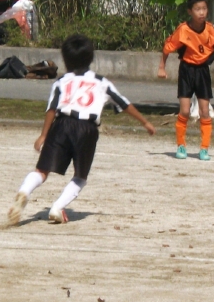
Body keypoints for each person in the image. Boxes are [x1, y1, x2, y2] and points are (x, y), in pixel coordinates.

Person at [8, 34, 155, 225]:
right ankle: (57, 207)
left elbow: (52, 108)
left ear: (65, 59)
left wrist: (43, 135)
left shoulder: (61, 81)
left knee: (42, 171)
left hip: (61, 124)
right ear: (90, 58)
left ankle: (24, 191)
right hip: (86, 129)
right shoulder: (101, 82)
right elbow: (124, 103)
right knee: (80, 176)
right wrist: (145, 122)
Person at [158, 0, 214, 161]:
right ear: (190, 11)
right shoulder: (183, 30)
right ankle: (181, 145)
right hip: (186, 70)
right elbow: (168, 47)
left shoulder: (209, 29)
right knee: (184, 110)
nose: (202, 12)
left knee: (204, 111)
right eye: (197, 9)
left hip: (202, 72)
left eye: (204, 8)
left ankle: (204, 149)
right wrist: (162, 67)